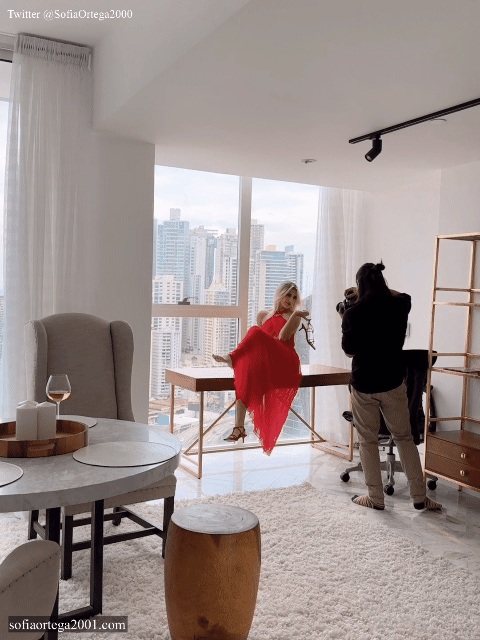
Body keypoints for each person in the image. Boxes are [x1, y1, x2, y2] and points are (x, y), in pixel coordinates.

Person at [339, 262, 441, 511]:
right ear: (382, 281)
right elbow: (404, 295)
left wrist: (358, 297)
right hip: (393, 383)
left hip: (364, 385)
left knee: (368, 441)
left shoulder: (353, 314)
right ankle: (419, 496)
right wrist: (373, 289)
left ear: (360, 285)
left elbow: (349, 351)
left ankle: (375, 497)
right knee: (404, 438)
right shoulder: (399, 305)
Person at [213, 281, 310, 455]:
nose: (290, 300)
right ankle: (239, 427)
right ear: (280, 294)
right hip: (269, 361)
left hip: (286, 360)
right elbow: (258, 347)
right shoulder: (264, 315)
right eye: (288, 295)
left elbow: (282, 338)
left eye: (294, 297)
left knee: (254, 332)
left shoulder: (294, 316)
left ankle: (232, 358)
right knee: (244, 375)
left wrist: (296, 314)